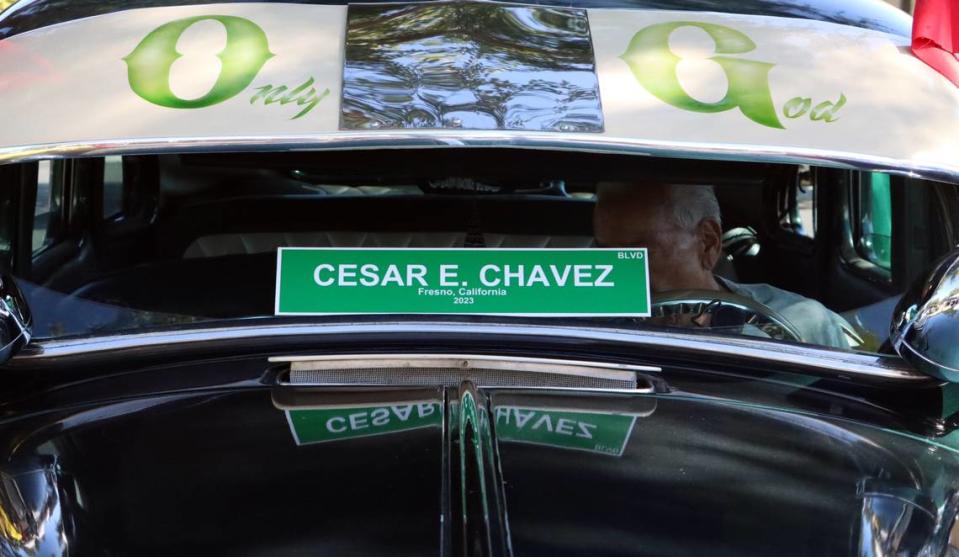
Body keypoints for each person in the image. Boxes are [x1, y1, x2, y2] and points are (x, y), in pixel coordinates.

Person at [593, 182, 852, 349]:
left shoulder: (804, 322)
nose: (615, 272)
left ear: (707, 242)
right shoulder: (584, 329)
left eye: (637, 253)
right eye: (604, 254)